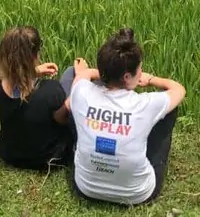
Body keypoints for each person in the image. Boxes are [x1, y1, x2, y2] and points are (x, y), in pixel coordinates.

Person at [68, 28, 186, 206]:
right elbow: (179, 90)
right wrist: (151, 79)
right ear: (127, 76)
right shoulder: (144, 105)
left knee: (76, 96)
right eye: (140, 69)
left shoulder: (81, 92)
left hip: (87, 189)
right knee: (169, 110)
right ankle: (151, 159)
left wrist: (108, 72)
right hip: (137, 193)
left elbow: (83, 74)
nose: (142, 71)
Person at [0, 25, 78, 170]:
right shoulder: (50, 90)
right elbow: (62, 120)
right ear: (35, 55)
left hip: (9, 153)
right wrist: (78, 86)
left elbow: (14, 79)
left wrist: (33, 71)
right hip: (48, 158)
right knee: (71, 72)